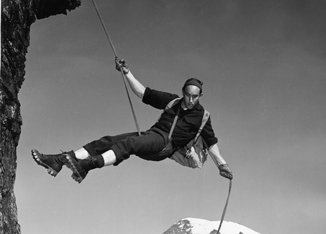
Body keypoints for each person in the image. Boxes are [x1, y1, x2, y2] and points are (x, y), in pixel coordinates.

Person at [32, 59, 233, 183]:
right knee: (107, 141)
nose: (190, 100)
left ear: (200, 96)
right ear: (183, 92)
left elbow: (211, 143)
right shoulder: (173, 101)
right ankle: (57, 161)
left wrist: (222, 165)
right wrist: (127, 73)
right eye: (188, 95)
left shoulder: (202, 117)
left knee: (129, 144)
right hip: (150, 136)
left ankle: (86, 166)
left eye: (195, 96)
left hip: (164, 146)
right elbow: (142, 92)